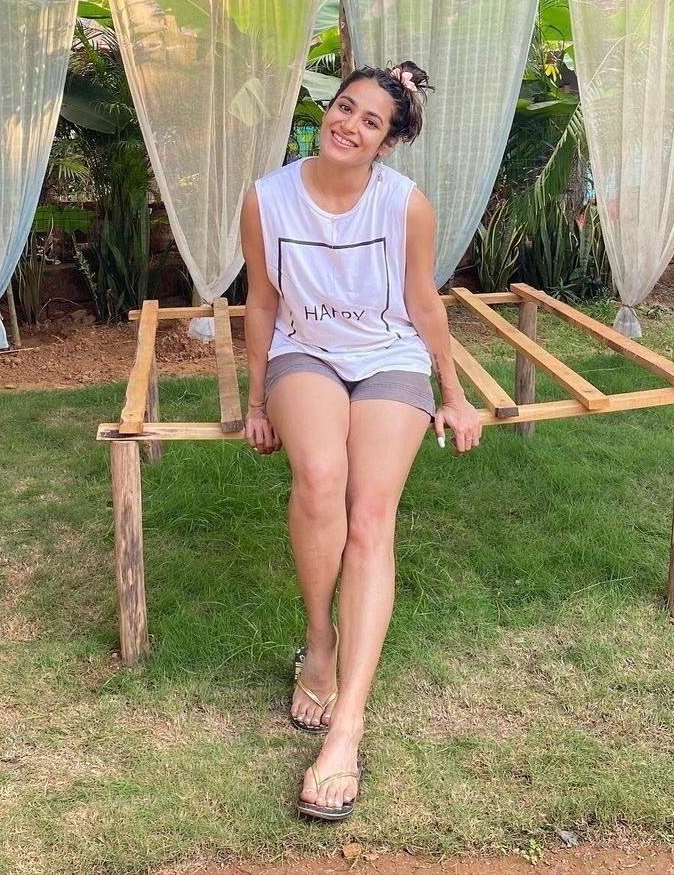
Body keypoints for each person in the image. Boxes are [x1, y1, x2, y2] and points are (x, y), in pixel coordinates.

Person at [239, 61, 483, 822]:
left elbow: (422, 303)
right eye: (344, 107)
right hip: (304, 352)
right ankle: (320, 643)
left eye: (370, 120)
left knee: (371, 517)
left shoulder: (405, 204)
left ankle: (347, 727)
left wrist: (453, 393)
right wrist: (256, 400)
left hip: (389, 356)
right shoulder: (267, 197)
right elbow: (261, 300)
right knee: (319, 477)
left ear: (388, 142)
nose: (348, 124)